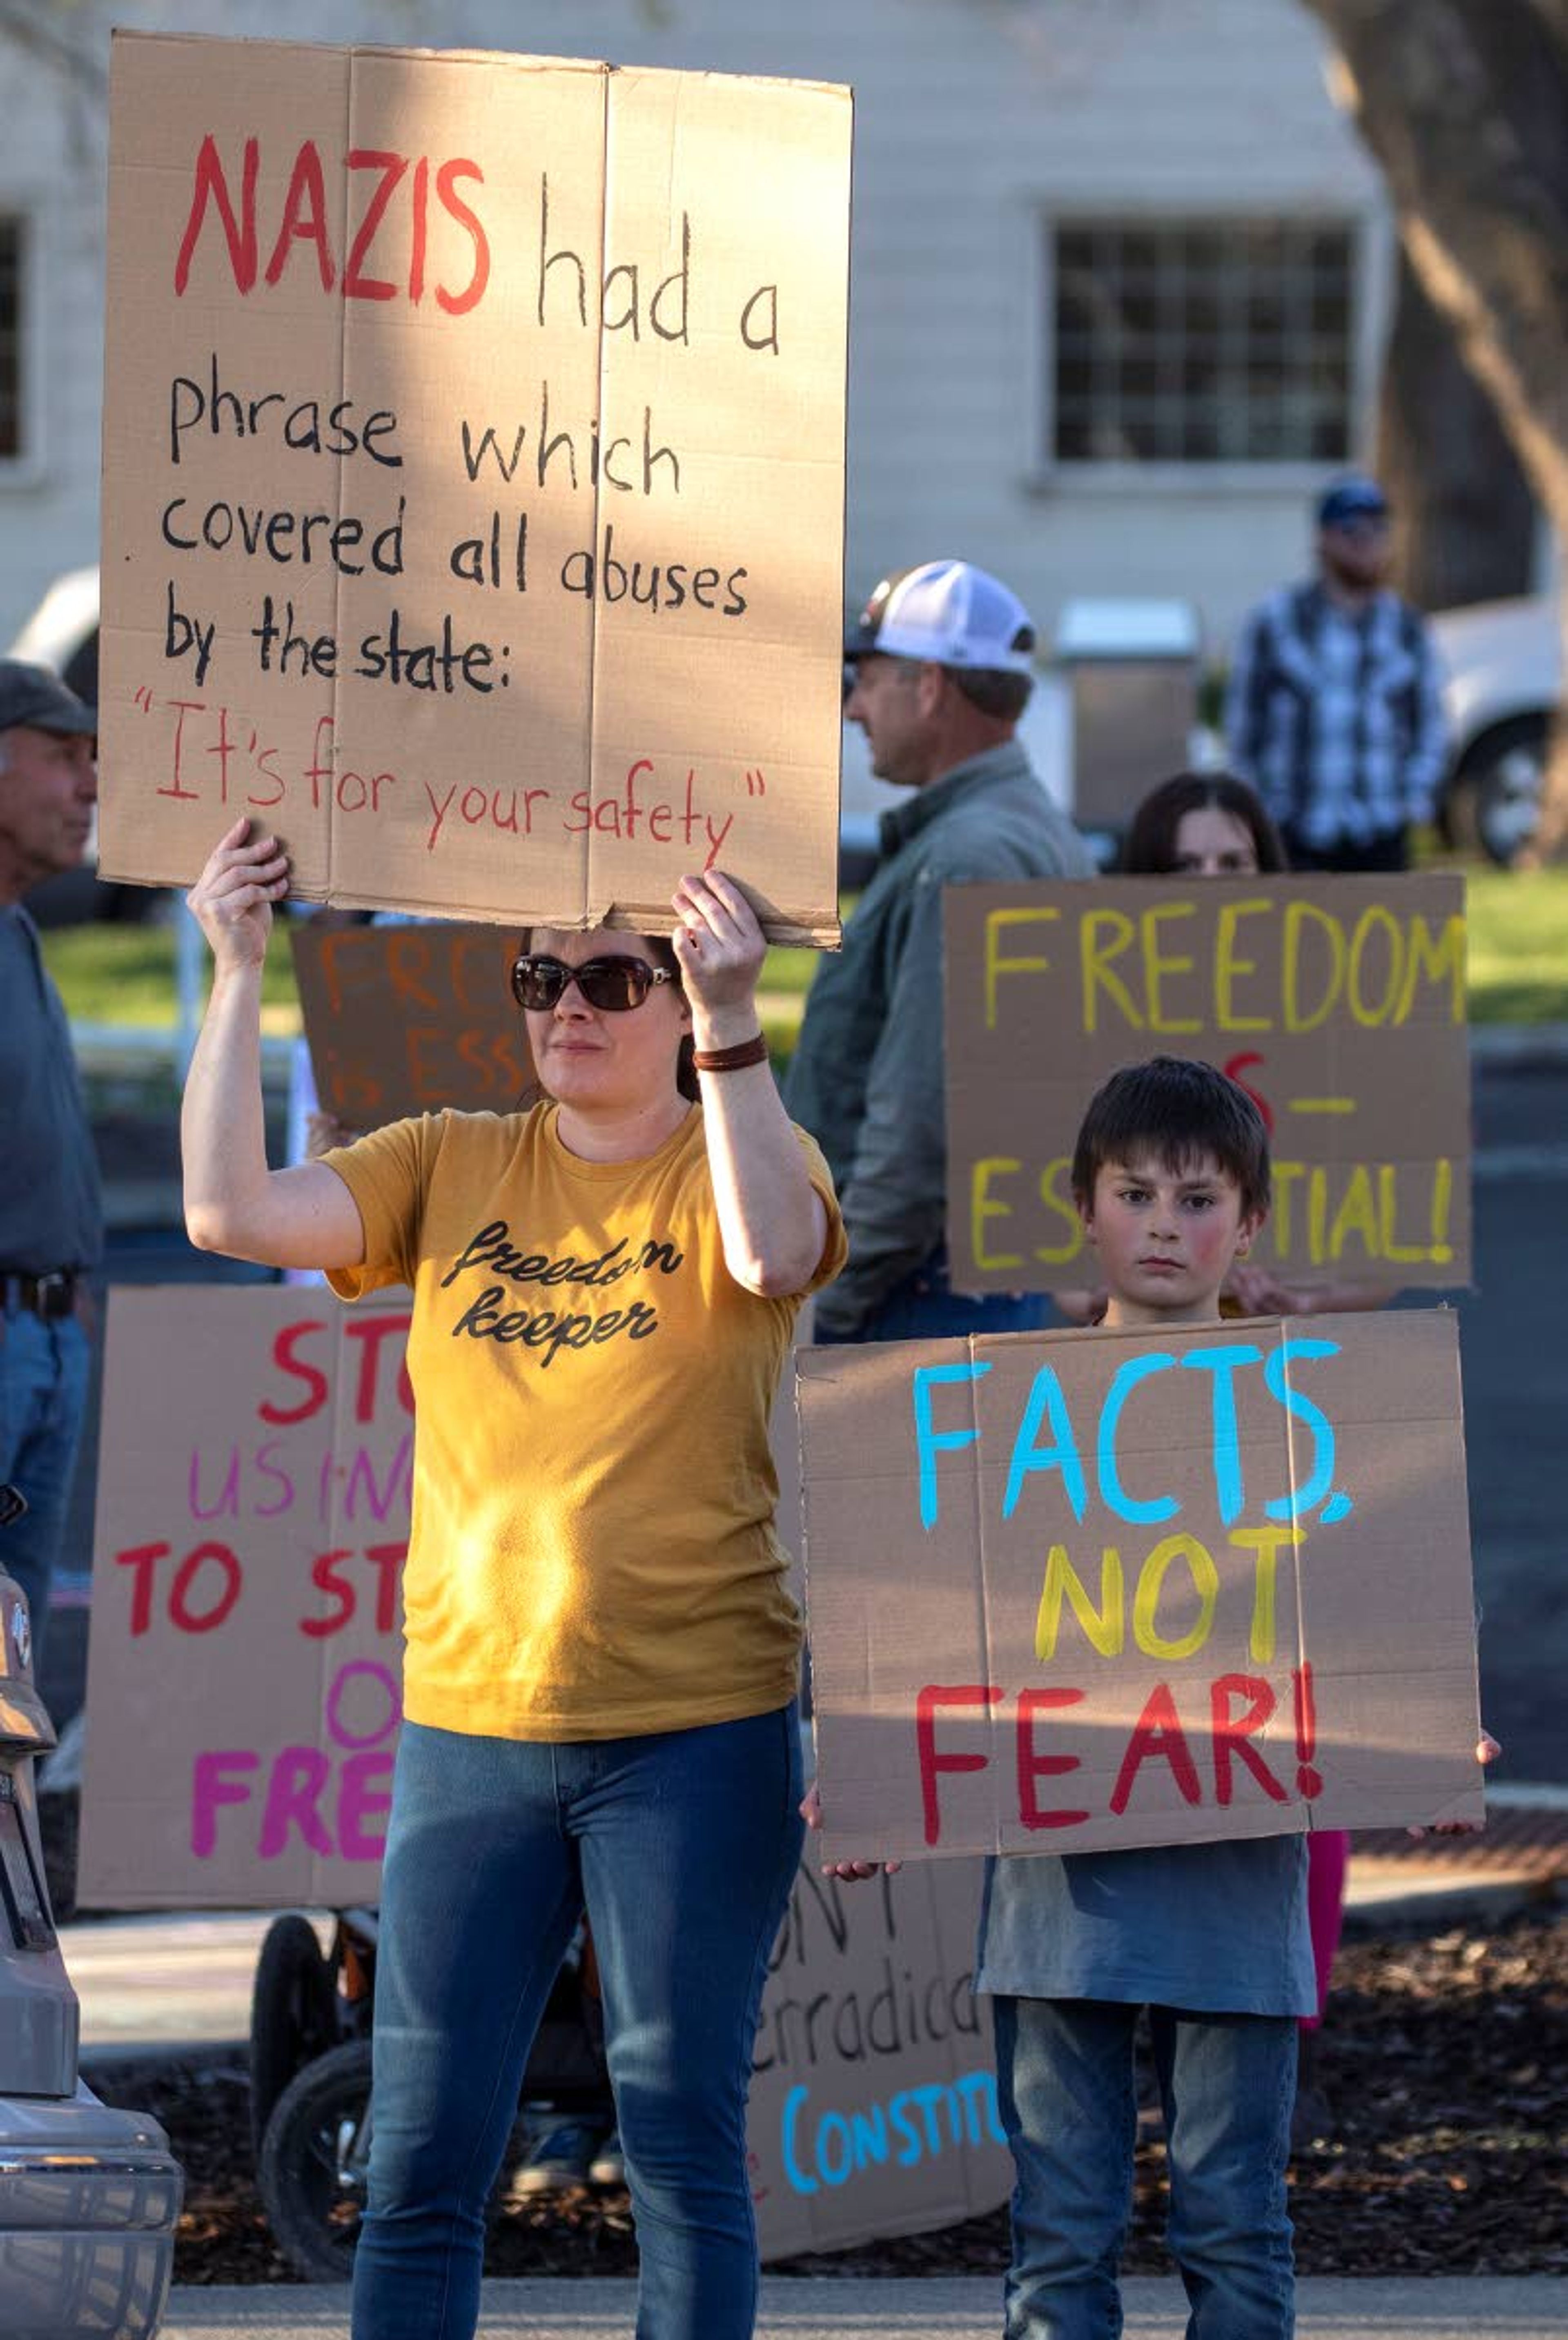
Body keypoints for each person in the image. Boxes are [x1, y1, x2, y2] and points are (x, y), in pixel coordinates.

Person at [181, 817, 846, 2340]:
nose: (569, 1006)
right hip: (473, 1731)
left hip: (699, 1729)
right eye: (541, 975)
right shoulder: (450, 1158)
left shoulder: (745, 1150)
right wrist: (236, 969)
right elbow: (229, 1216)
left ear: (679, 1001)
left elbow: (774, 1253)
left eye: (617, 977)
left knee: (679, 2142)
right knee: (419, 2158)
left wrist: (740, 1022)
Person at [963, 1057, 1495, 2339]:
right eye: (1133, 1191)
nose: (1162, 1222)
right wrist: (873, 1771)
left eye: (1196, 1198)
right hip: (1058, 1893)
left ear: (1248, 1222)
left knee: (1232, 2226)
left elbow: (1364, 1606)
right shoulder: (995, 1413)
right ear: (1081, 1206)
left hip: (1239, 1881)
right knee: (1057, 2237)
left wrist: (1421, 1731)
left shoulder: (1310, 1408)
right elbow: (940, 1626)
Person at [786, 558, 1094, 1343]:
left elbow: (921, 1125)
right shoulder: (1020, 831)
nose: (854, 708)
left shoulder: (966, 858)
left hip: (915, 1302)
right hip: (964, 1291)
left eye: (866, 678)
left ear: (927, 685)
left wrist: (831, 1313)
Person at [0, 658, 102, 1670]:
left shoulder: (20, 928)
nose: (91, 785)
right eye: (65, 757)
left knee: (10, 1667)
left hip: (43, 1341)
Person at [1225, 474, 1448, 873]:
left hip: (1381, 836)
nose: (1366, 542)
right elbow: (1243, 728)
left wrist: (1411, 802)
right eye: (1351, 530)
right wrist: (1261, 810)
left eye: (1378, 529)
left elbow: (1431, 726)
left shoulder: (1407, 628)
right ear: (1323, 539)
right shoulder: (1277, 621)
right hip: (1295, 835)